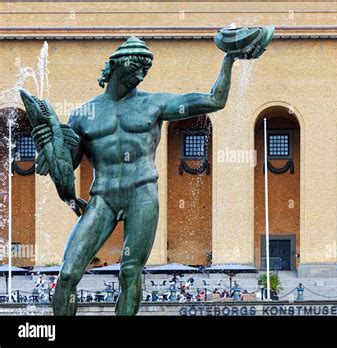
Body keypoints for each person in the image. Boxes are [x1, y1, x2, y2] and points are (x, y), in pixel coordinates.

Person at [27, 36, 250, 316]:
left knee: (130, 272)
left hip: (141, 194)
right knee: (69, 273)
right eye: (137, 66)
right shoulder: (83, 114)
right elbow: (66, 167)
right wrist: (48, 144)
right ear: (116, 64)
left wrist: (229, 59)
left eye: (147, 69)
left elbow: (215, 100)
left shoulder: (154, 104)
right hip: (103, 198)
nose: (142, 74)